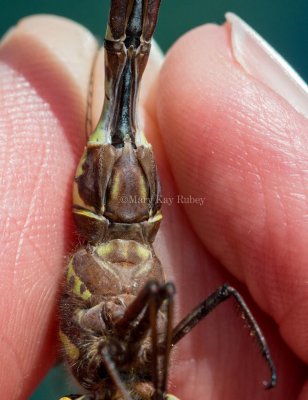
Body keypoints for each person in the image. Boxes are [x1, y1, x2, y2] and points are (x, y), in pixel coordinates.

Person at [0, 13, 307, 400]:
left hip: (104, 223)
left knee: (127, 59)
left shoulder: (104, 367)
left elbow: (116, 351)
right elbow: (217, 294)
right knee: (129, 58)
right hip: (138, 235)